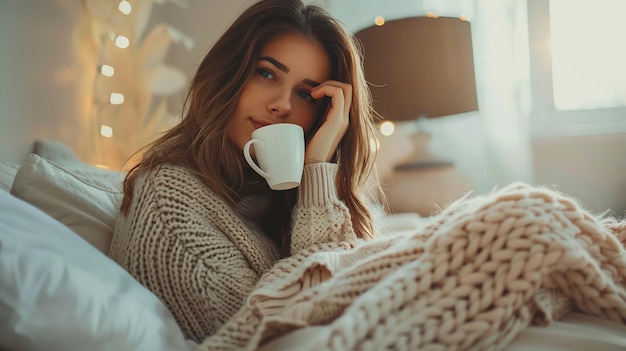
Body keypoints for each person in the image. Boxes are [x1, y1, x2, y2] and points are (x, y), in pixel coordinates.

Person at [108, 0, 381, 342]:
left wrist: (317, 169)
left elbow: (356, 293)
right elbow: (292, 332)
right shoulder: (169, 200)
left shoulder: (277, 195)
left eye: (306, 94)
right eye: (266, 73)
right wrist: (315, 175)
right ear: (229, 72)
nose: (282, 104)